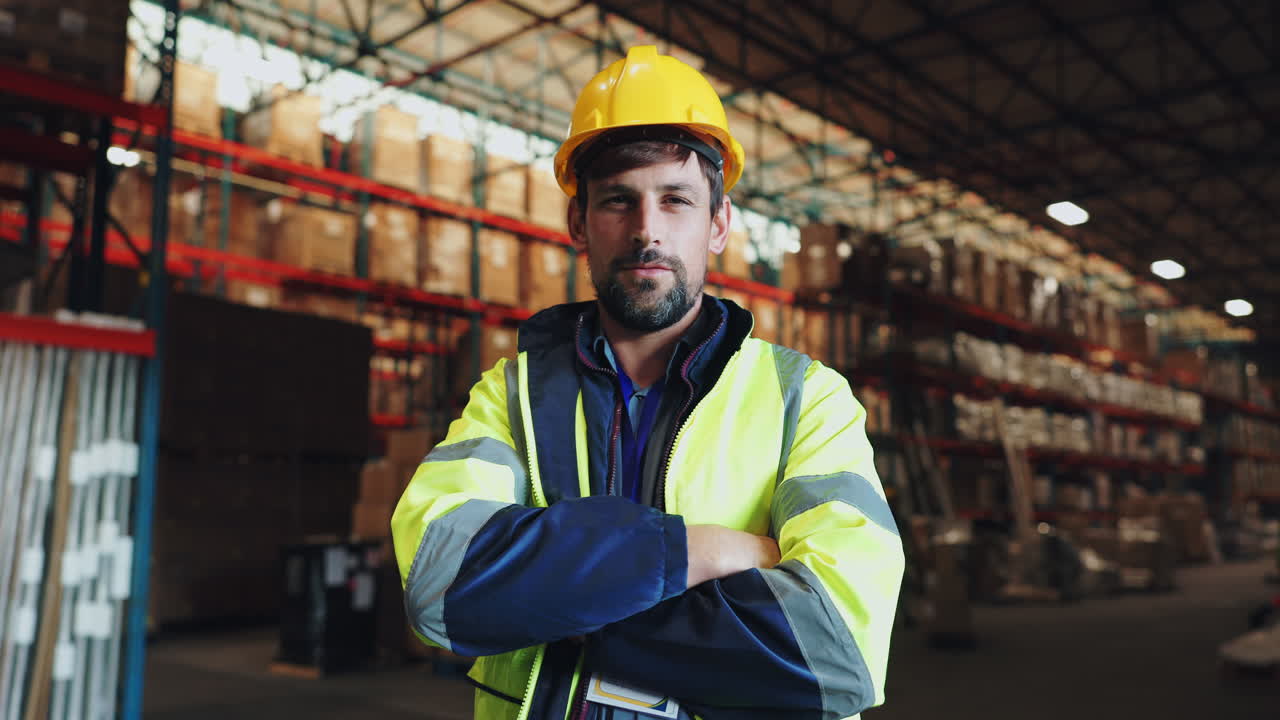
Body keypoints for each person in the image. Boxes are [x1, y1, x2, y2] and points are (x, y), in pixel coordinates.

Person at [391, 45, 904, 720]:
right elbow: (441, 584)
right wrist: (700, 552)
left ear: (718, 225)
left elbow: (838, 648)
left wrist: (558, 605)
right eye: (618, 201)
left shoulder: (805, 400)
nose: (647, 231)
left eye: (676, 200)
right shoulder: (512, 396)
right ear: (579, 223)